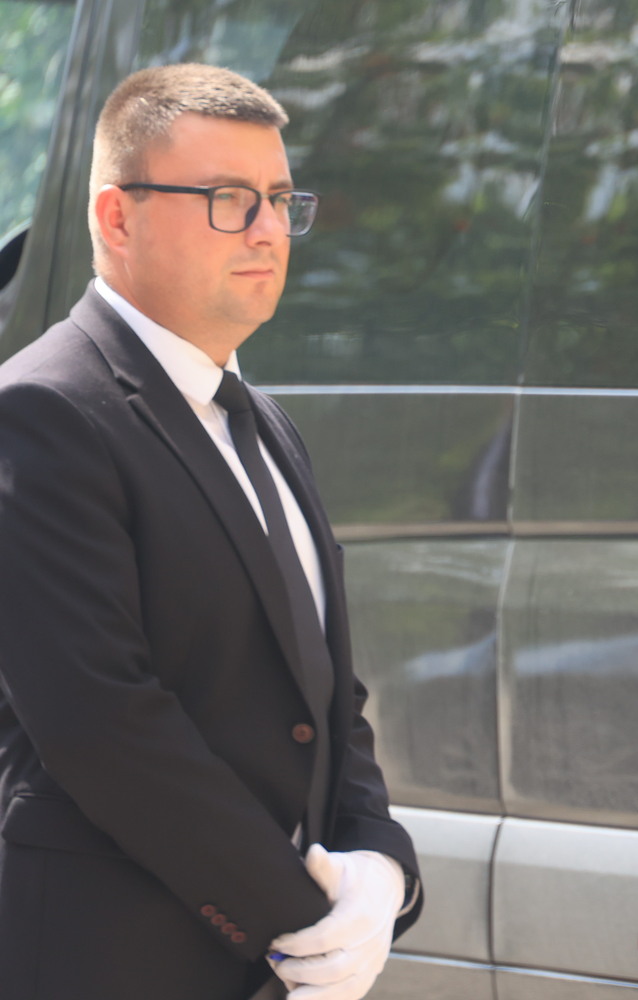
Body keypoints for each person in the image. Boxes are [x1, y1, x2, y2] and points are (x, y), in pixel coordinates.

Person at [0, 65, 420, 1000]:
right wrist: (304, 923)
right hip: (113, 963)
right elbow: (102, 723)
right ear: (116, 218)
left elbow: (323, 689)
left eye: (280, 199)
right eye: (229, 199)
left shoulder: (264, 422)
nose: (268, 229)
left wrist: (380, 862)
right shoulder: (39, 411)